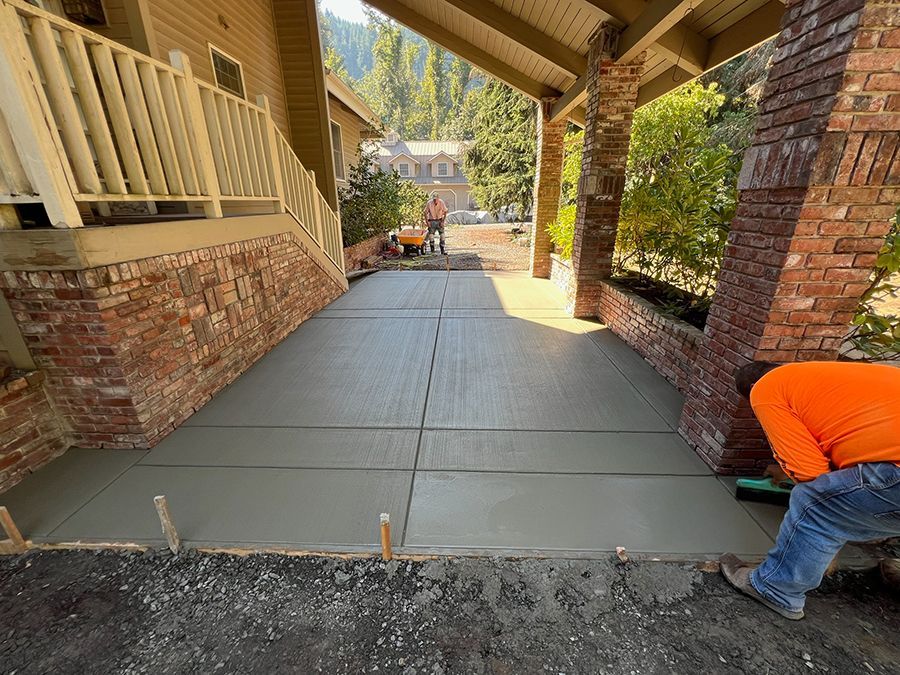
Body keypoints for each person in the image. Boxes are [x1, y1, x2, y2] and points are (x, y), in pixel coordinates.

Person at [721, 360, 900, 620]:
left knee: (816, 504)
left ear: (751, 391)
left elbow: (810, 474)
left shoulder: (766, 388)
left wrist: (825, 537)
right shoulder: (825, 377)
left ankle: (776, 589)